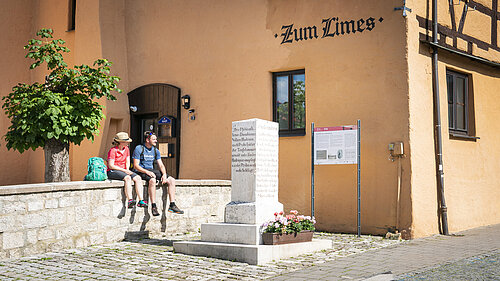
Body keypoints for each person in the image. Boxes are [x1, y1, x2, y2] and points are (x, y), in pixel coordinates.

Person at [132, 131, 184, 216]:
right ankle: (153, 207)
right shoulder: (139, 148)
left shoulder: (156, 150)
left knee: (171, 180)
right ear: (147, 140)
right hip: (141, 171)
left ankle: (172, 205)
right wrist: (146, 171)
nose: (156, 141)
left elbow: (161, 165)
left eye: (156, 139)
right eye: (154, 139)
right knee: (152, 180)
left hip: (151, 170)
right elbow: (136, 166)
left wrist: (164, 174)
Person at [107, 132, 147, 208]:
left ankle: (141, 200)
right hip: (113, 171)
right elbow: (111, 165)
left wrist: (127, 169)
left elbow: (127, 160)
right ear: (121, 142)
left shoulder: (126, 149)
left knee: (138, 178)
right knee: (127, 178)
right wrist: (124, 171)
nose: (128, 143)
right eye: (126, 141)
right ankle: (130, 200)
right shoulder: (113, 151)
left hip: (124, 170)